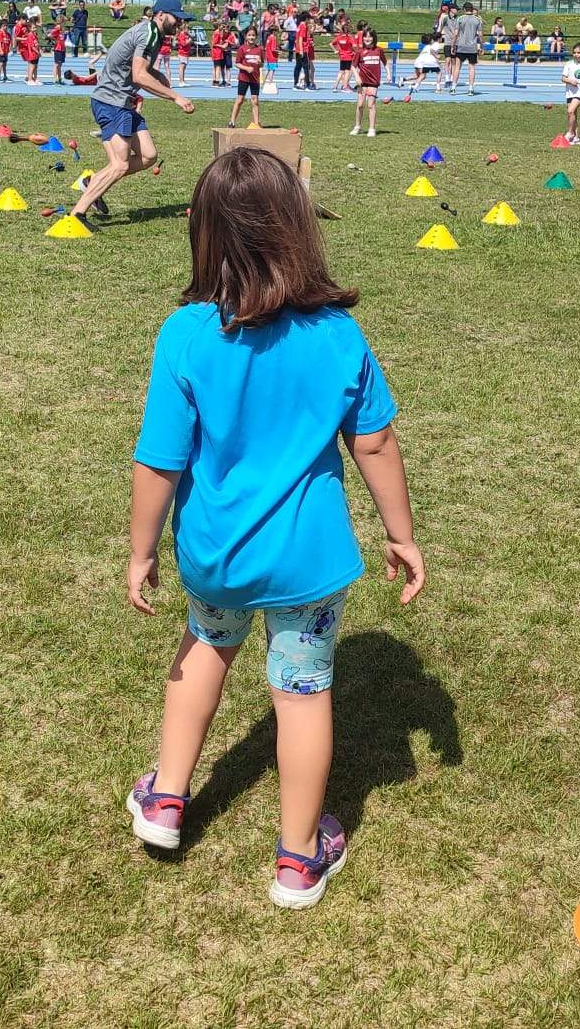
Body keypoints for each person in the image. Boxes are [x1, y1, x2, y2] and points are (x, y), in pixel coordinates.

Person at [122, 146, 424, 909]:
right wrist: (402, 534)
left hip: (215, 555)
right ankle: (298, 858)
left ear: (203, 234)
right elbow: (377, 442)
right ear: (297, 230)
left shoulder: (186, 335)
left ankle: (165, 798)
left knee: (206, 649)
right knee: (302, 692)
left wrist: (140, 551)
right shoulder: (337, 336)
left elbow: (159, 463)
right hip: (306, 563)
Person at [70, 0, 196, 226]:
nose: (179, 22)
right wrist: (176, 96)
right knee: (120, 164)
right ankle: (77, 213)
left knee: (148, 156)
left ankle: (92, 182)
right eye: (176, 17)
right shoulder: (148, 33)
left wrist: (158, 77)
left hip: (123, 102)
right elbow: (139, 76)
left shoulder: (154, 34)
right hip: (111, 102)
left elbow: (139, 68)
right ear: (160, 15)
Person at [229, 24, 265, 129]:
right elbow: (237, 63)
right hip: (244, 78)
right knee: (240, 99)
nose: (251, 37)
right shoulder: (242, 49)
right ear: (245, 36)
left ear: (256, 36)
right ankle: (232, 121)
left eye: (253, 35)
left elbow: (262, 64)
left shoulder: (259, 49)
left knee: (255, 100)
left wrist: (260, 63)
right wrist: (246, 68)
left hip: (255, 78)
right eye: (249, 35)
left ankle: (256, 123)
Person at [350, 26, 384, 136]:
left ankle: (371, 129)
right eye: (365, 37)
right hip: (362, 82)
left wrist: (388, 73)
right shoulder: (360, 52)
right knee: (360, 104)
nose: (367, 39)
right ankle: (357, 126)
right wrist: (357, 77)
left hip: (374, 82)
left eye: (369, 37)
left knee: (371, 104)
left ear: (374, 38)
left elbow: (385, 62)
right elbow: (353, 66)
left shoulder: (379, 50)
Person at [448, 2, 483, 94]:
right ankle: (471, 89)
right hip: (472, 47)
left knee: (457, 67)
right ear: (472, 9)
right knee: (471, 67)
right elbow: (480, 35)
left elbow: (455, 34)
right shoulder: (477, 20)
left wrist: (453, 45)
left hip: (461, 46)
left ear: (464, 9)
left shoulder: (460, 19)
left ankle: (453, 88)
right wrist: (481, 46)